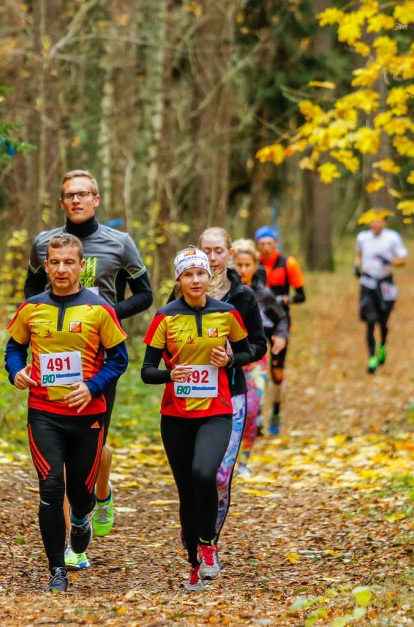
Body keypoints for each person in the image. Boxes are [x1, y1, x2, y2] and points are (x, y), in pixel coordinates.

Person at [24, 169, 152, 569]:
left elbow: (145, 293)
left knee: (93, 450)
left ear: (96, 199)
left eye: (84, 194)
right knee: (56, 460)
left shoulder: (120, 242)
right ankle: (72, 547)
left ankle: (102, 489)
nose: (76, 200)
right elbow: (29, 291)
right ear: (61, 202)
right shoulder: (45, 243)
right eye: (69, 195)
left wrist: (108, 312)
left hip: (99, 359)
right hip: (55, 355)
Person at [6, 233, 129, 593]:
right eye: (54, 262)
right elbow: (14, 349)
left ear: (80, 266)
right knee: (50, 487)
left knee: (80, 492)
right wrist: (17, 371)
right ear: (46, 266)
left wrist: (91, 387)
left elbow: (119, 359)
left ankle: (81, 518)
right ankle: (56, 569)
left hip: (87, 414)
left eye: (68, 263)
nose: (61, 269)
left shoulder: (99, 308)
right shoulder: (31, 308)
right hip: (43, 411)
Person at [142, 247, 253, 592]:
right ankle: (193, 563)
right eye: (187, 274)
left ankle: (208, 545)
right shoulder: (165, 316)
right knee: (187, 492)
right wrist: (170, 375)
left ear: (210, 277)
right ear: (178, 280)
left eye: (200, 274)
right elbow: (147, 371)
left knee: (205, 473)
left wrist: (229, 360)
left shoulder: (228, 313)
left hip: (216, 411)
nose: (195, 280)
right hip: (175, 416)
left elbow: (249, 351)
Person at [167, 229, 267, 569]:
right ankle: (195, 529)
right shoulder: (180, 291)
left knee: (218, 476)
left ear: (228, 253)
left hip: (230, 396)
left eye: (218, 251)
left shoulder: (242, 296)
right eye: (206, 250)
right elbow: (163, 343)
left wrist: (232, 360)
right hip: (184, 403)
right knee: (195, 478)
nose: (211, 257)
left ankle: (210, 541)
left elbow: (257, 346)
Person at [231, 239, 288, 475]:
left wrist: (281, 336)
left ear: (256, 266)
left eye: (247, 265)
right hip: (227, 360)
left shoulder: (263, 295)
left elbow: (281, 318)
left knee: (252, 410)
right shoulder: (224, 292)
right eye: (239, 265)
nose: (243, 270)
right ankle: (226, 460)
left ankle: (243, 462)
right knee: (230, 413)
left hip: (255, 361)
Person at [254, 226, 305, 435]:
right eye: (262, 243)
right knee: (255, 370)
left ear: (276, 243)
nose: (266, 247)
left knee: (276, 373)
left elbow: (302, 295)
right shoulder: (252, 265)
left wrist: (287, 299)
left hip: (279, 323)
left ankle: (275, 411)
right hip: (256, 322)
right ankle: (255, 416)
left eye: (269, 243)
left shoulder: (288, 263)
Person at [354, 211, 407, 374]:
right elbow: (358, 255)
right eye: (372, 221)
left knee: (383, 321)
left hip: (386, 283)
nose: (375, 224)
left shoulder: (392, 238)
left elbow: (403, 260)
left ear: (384, 223)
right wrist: (357, 267)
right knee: (370, 321)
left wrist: (390, 261)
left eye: (378, 221)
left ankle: (382, 345)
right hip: (368, 283)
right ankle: (371, 357)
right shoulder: (362, 237)